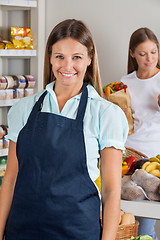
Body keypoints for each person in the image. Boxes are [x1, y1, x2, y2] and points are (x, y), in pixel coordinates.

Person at [0, 19, 129, 240]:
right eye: (59, 56)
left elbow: (111, 191)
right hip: (21, 231)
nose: (67, 66)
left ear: (90, 59)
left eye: (76, 57)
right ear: (50, 58)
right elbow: (11, 179)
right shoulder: (23, 109)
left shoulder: (106, 114)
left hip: (77, 232)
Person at [120, 27, 160, 240]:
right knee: (124, 222)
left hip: (155, 162)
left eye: (153, 52)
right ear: (132, 53)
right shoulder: (123, 83)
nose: (149, 59)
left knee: (145, 227)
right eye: (143, 53)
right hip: (127, 158)